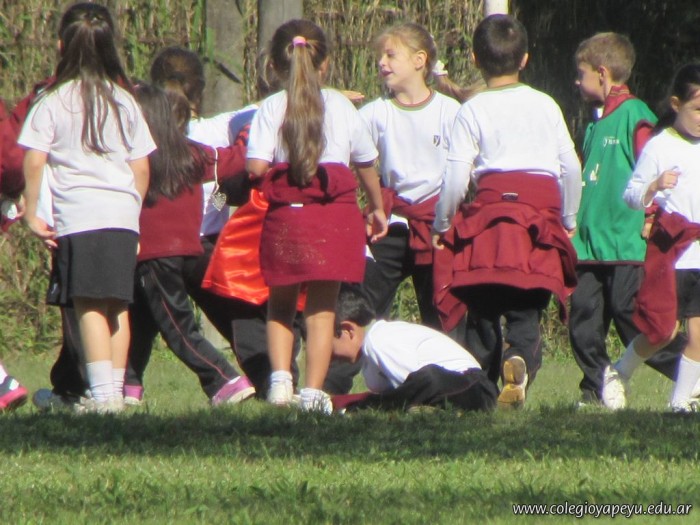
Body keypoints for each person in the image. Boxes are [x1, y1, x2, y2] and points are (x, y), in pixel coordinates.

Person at [431, 14, 582, 408]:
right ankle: (519, 360)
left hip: (489, 220)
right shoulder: (546, 104)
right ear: (525, 59)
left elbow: (456, 177)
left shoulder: (472, 109)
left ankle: (476, 391)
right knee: (525, 309)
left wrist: (443, 223)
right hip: (537, 219)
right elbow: (571, 168)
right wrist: (568, 219)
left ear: (475, 60)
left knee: (482, 310)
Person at [19, 2, 156, 413]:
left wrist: (31, 212)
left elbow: (34, 160)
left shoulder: (53, 100)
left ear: (62, 46)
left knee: (89, 304)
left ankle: (101, 396)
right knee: (117, 305)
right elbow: (141, 168)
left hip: (81, 216)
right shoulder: (125, 101)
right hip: (122, 216)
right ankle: (113, 393)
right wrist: (133, 216)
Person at [246, 19, 387, 413]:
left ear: (274, 66)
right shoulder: (341, 105)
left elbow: (256, 167)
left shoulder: (271, 107)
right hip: (333, 220)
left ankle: (279, 383)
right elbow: (366, 162)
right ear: (324, 64)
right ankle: (312, 392)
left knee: (280, 305)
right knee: (322, 311)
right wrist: (377, 207)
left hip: (287, 220)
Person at [570, 32, 684, 409]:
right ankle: (597, 389)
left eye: (581, 73)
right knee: (583, 322)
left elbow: (657, 169)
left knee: (632, 316)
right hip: (590, 244)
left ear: (602, 73)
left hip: (625, 240)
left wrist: (651, 216)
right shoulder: (593, 125)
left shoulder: (636, 116)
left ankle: (690, 373)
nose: (576, 81)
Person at [123, 83, 255, 406]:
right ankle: (128, 386)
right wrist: (250, 129)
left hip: (153, 252)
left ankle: (224, 379)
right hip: (187, 247)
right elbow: (237, 159)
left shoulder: (134, 158)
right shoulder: (193, 152)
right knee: (141, 319)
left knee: (177, 326)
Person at [358, 22, 469, 336]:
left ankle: (450, 367)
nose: (382, 62)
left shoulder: (450, 112)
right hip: (391, 223)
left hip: (437, 226)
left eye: (391, 55)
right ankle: (344, 367)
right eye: (380, 56)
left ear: (420, 60)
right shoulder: (375, 113)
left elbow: (464, 172)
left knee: (443, 318)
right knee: (359, 307)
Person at [607, 63, 700, 413]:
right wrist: (654, 185)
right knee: (662, 330)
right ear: (676, 104)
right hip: (672, 252)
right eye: (697, 109)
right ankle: (619, 373)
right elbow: (631, 195)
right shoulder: (660, 146)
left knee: (698, 334)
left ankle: (681, 401)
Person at [330, 285, 497, 412]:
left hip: (472, 386)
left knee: (427, 379)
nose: (330, 356)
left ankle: (358, 407)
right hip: (456, 389)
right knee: (391, 397)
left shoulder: (378, 339)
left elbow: (415, 384)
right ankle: (430, 409)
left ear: (348, 331)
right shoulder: (369, 361)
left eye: (329, 346)